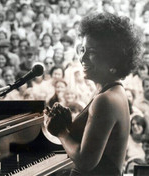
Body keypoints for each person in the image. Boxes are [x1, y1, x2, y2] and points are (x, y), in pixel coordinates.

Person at [44, 12, 141, 176]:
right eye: (82, 49)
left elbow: (86, 162)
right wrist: (69, 125)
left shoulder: (106, 100)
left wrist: (61, 132)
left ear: (112, 58)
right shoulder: (112, 91)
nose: (82, 58)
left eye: (92, 52)